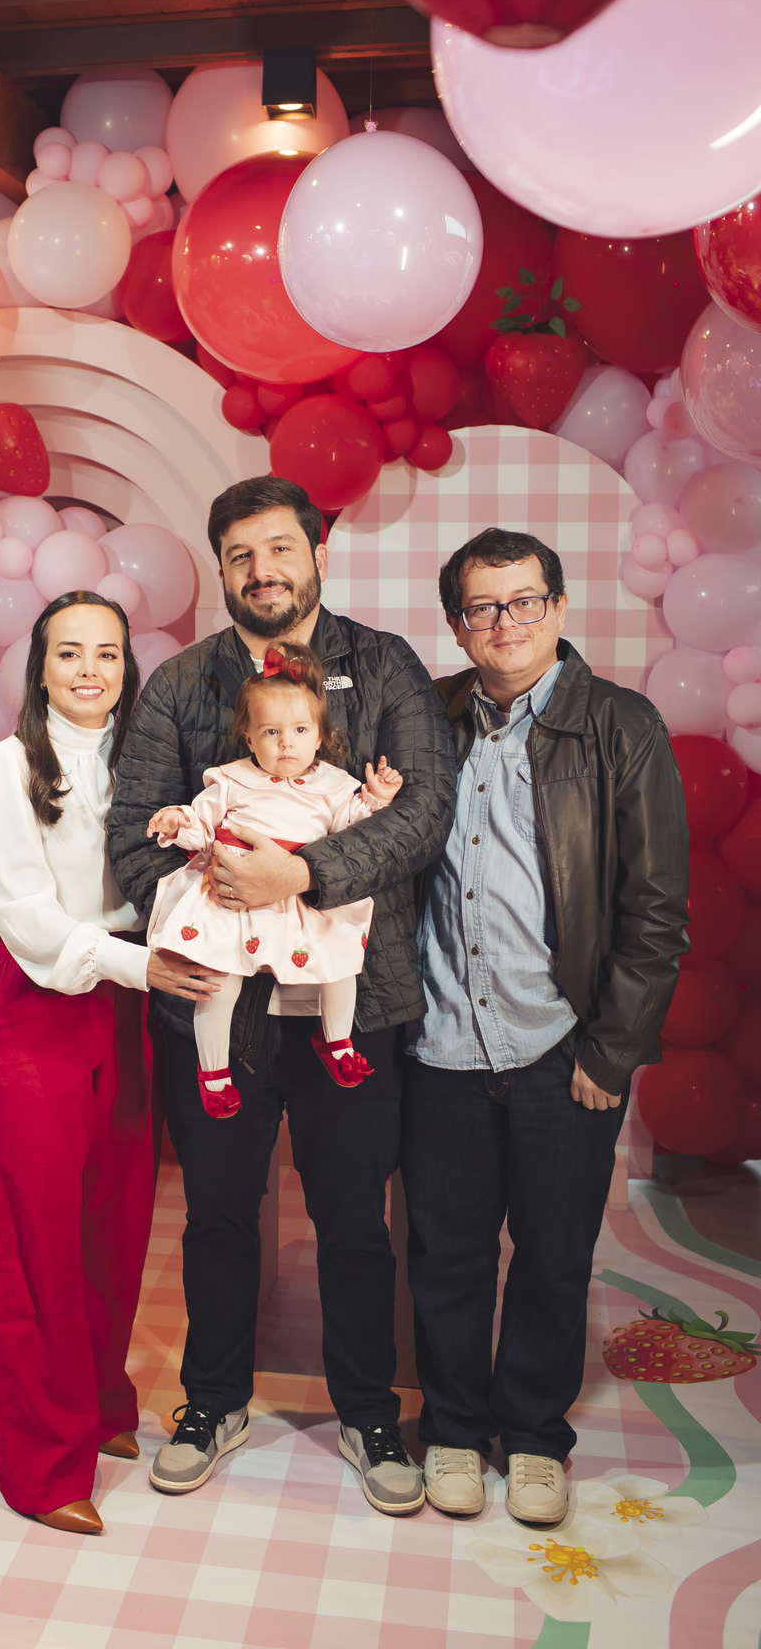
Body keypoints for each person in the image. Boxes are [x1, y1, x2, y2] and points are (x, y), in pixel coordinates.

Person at [108, 475, 456, 1516]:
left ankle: (368, 1412)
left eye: (280, 549)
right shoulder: (181, 684)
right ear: (222, 570)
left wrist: (301, 876)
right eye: (240, 555)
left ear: (317, 554)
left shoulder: (385, 666)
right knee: (218, 1215)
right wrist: (207, 908)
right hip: (222, 1000)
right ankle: (213, 1401)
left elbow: (421, 814)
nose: (262, 571)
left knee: (354, 1220)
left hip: (357, 994)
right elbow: (135, 830)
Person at [403, 527, 689, 1527]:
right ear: (457, 624)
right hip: (441, 1042)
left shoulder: (620, 725)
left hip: (560, 1049)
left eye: (524, 601)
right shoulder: (427, 719)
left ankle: (531, 1434)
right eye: (482, 607)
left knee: (555, 1253)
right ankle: (451, 1425)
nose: (505, 623)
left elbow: (656, 909)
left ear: (558, 608)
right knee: (446, 1253)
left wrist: (611, 1050)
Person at [0, 591, 218, 1536]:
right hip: (41, 1001)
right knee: (38, 1240)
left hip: (131, 1002)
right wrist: (141, 966)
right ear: (38, 667)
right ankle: (42, 1465)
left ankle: (101, 1404)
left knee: (115, 1224)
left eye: (106, 653)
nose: (88, 670)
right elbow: (27, 917)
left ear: (127, 666)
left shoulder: (152, 761)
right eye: (68, 652)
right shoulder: (3, 766)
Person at [146, 642, 403, 1117]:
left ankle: (337, 1041)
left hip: (303, 895)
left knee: (340, 962)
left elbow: (354, 828)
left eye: (300, 730)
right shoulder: (230, 779)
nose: (287, 743)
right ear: (248, 738)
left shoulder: (334, 785)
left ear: (320, 736)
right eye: (271, 732)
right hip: (231, 895)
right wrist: (177, 822)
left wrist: (376, 797)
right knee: (218, 983)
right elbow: (202, 827)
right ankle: (213, 1070)